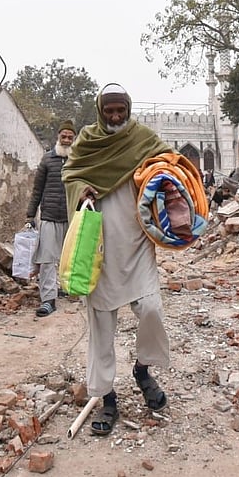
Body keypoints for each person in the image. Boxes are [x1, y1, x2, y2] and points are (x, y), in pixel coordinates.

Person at [62, 83, 174, 436]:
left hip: (138, 243)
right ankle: (106, 397)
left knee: (151, 308)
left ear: (128, 108)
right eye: (108, 111)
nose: (114, 117)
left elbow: (169, 163)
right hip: (99, 249)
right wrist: (82, 190)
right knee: (101, 327)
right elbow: (71, 174)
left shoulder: (143, 139)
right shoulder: (87, 141)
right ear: (100, 111)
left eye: (119, 110)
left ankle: (142, 370)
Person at [26, 120, 75, 317]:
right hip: (49, 217)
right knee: (47, 259)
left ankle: (66, 287)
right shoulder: (47, 159)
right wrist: (30, 215)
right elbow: (37, 190)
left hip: (72, 218)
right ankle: (48, 300)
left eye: (70, 137)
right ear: (58, 137)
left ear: (74, 139)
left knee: (70, 258)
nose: (66, 140)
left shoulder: (78, 160)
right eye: (63, 136)